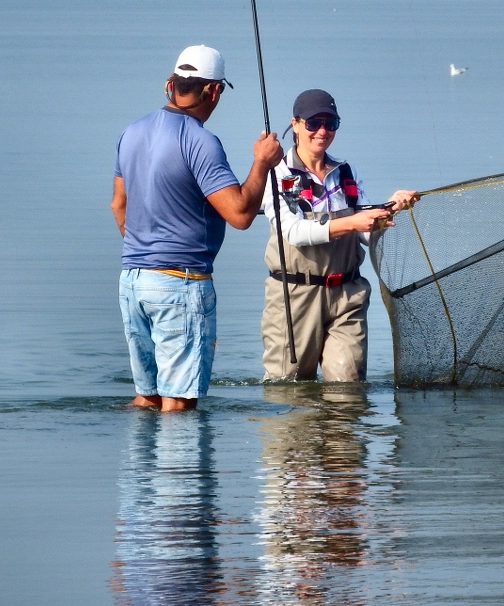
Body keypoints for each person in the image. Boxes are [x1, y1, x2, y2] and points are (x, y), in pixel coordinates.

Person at [111, 44, 283, 411]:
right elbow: (239, 215)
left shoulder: (132, 132)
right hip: (180, 281)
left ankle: (140, 469)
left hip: (133, 281)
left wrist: (148, 251)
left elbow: (118, 205)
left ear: (171, 84)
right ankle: (182, 471)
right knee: (178, 405)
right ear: (214, 90)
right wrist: (262, 163)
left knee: (147, 397)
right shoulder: (199, 141)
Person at [260, 89, 418, 381]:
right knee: (288, 389)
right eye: (313, 123)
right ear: (295, 123)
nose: (322, 131)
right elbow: (294, 232)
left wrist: (390, 209)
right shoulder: (277, 175)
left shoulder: (347, 172)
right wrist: (355, 222)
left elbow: (366, 234)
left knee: (348, 388)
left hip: (348, 293)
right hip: (294, 295)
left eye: (330, 124)